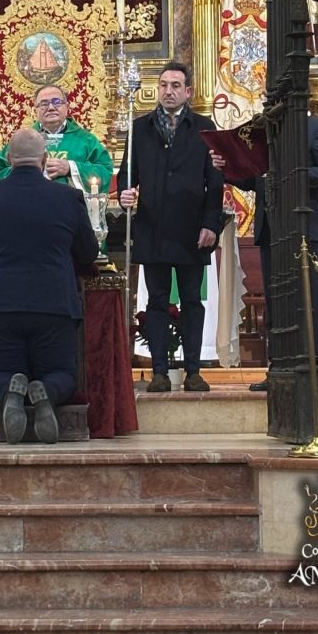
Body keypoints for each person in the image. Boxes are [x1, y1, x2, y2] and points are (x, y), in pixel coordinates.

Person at [0, 129, 99, 444]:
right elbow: (88, 253)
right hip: (54, 305)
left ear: (9, 159)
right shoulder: (68, 197)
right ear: (45, 158)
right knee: (64, 373)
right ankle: (46, 392)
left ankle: (11, 388)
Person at [117, 62, 224, 393]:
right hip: (153, 227)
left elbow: (215, 182)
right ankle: (160, 370)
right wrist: (125, 193)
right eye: (163, 85)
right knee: (157, 302)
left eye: (175, 85)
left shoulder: (205, 129)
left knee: (192, 299)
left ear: (187, 91)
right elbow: (126, 173)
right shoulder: (140, 128)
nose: (168, 91)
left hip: (192, 230)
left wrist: (211, 224)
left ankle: (193, 370)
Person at [211, 113, 318, 392]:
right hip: (273, 230)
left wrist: (290, 174)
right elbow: (256, 178)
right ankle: (279, 368)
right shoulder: (266, 132)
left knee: (313, 300)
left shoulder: (316, 129)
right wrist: (226, 168)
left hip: (309, 229)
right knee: (277, 301)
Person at [0, 85, 113, 193]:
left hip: (71, 209)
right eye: (44, 104)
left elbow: (105, 171)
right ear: (36, 111)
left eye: (56, 102)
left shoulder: (86, 140)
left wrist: (71, 168)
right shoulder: (24, 140)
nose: (51, 108)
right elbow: (0, 172)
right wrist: (32, 171)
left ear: (66, 107)